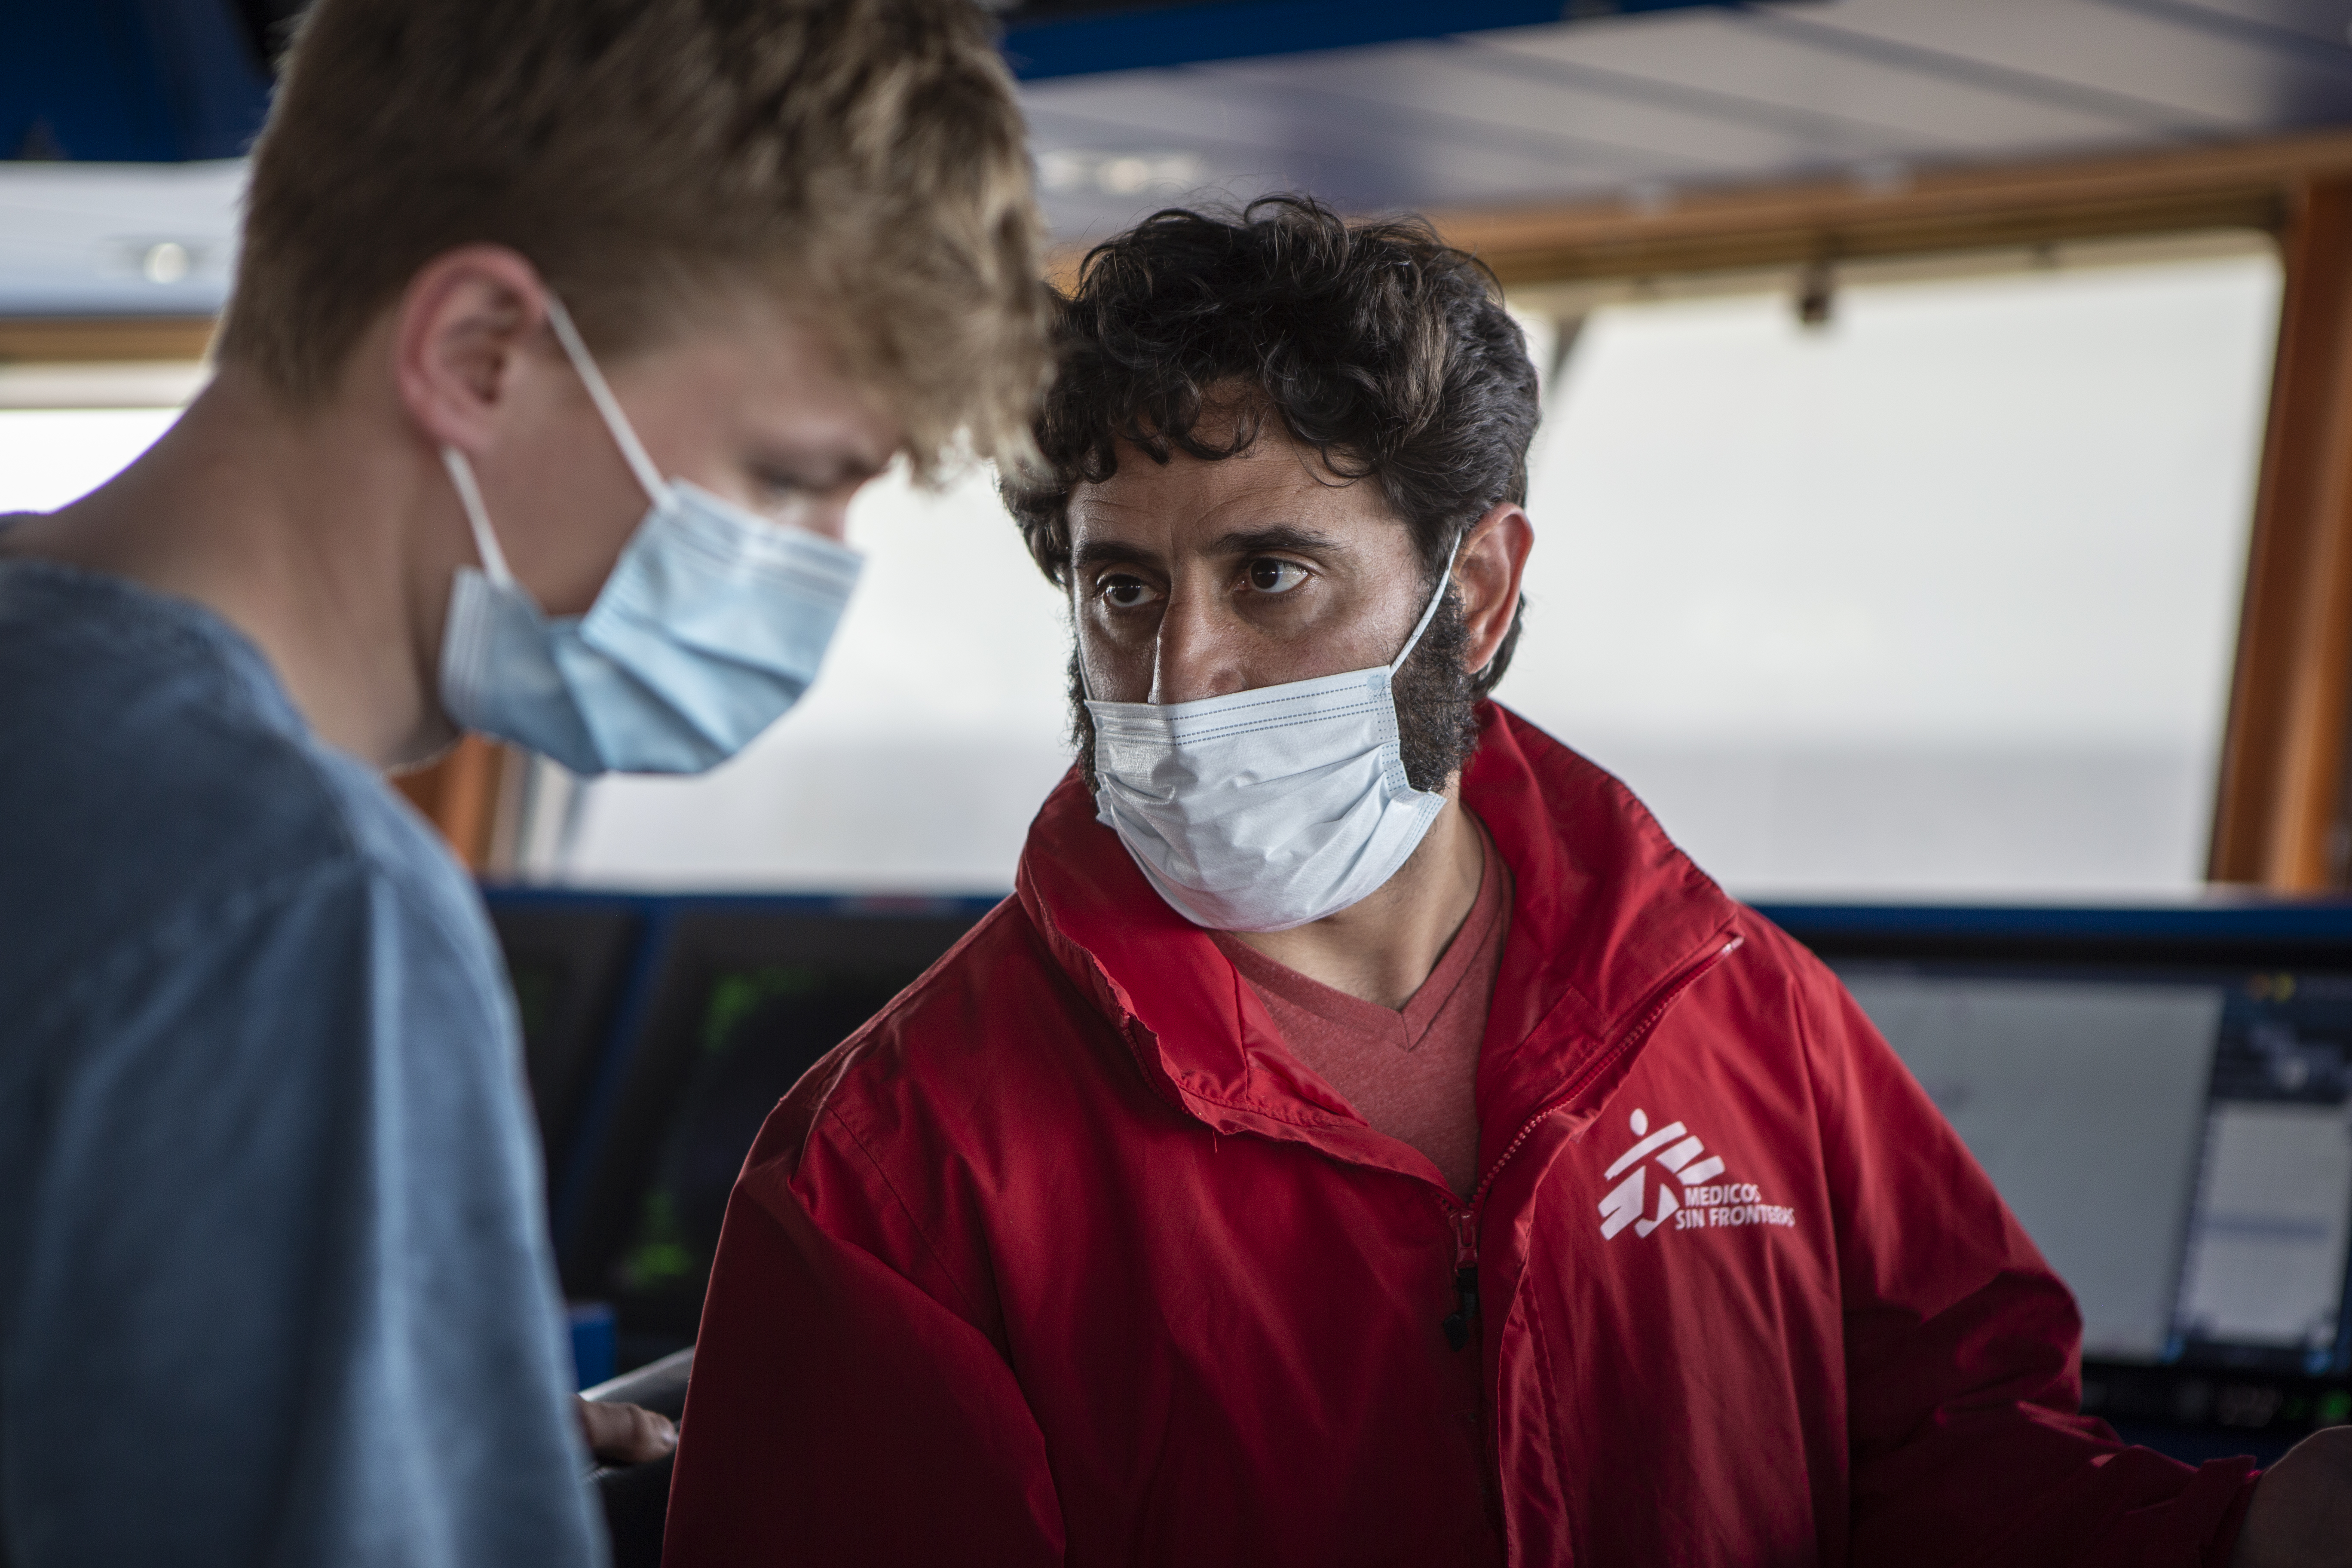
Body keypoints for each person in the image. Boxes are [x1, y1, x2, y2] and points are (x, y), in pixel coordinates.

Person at [664, 196, 2352, 1568]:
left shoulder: (1738, 1017)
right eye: (1122, 590)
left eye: (1270, 576)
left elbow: (1960, 1477)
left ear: (1472, 591)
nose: (1178, 676)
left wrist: (2254, 1535)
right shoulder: (890, 1171)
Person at [0, 0, 1046, 1560]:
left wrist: (417, 1435)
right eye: (788, 477)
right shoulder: (292, 907)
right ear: (479, 352)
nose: (814, 571)